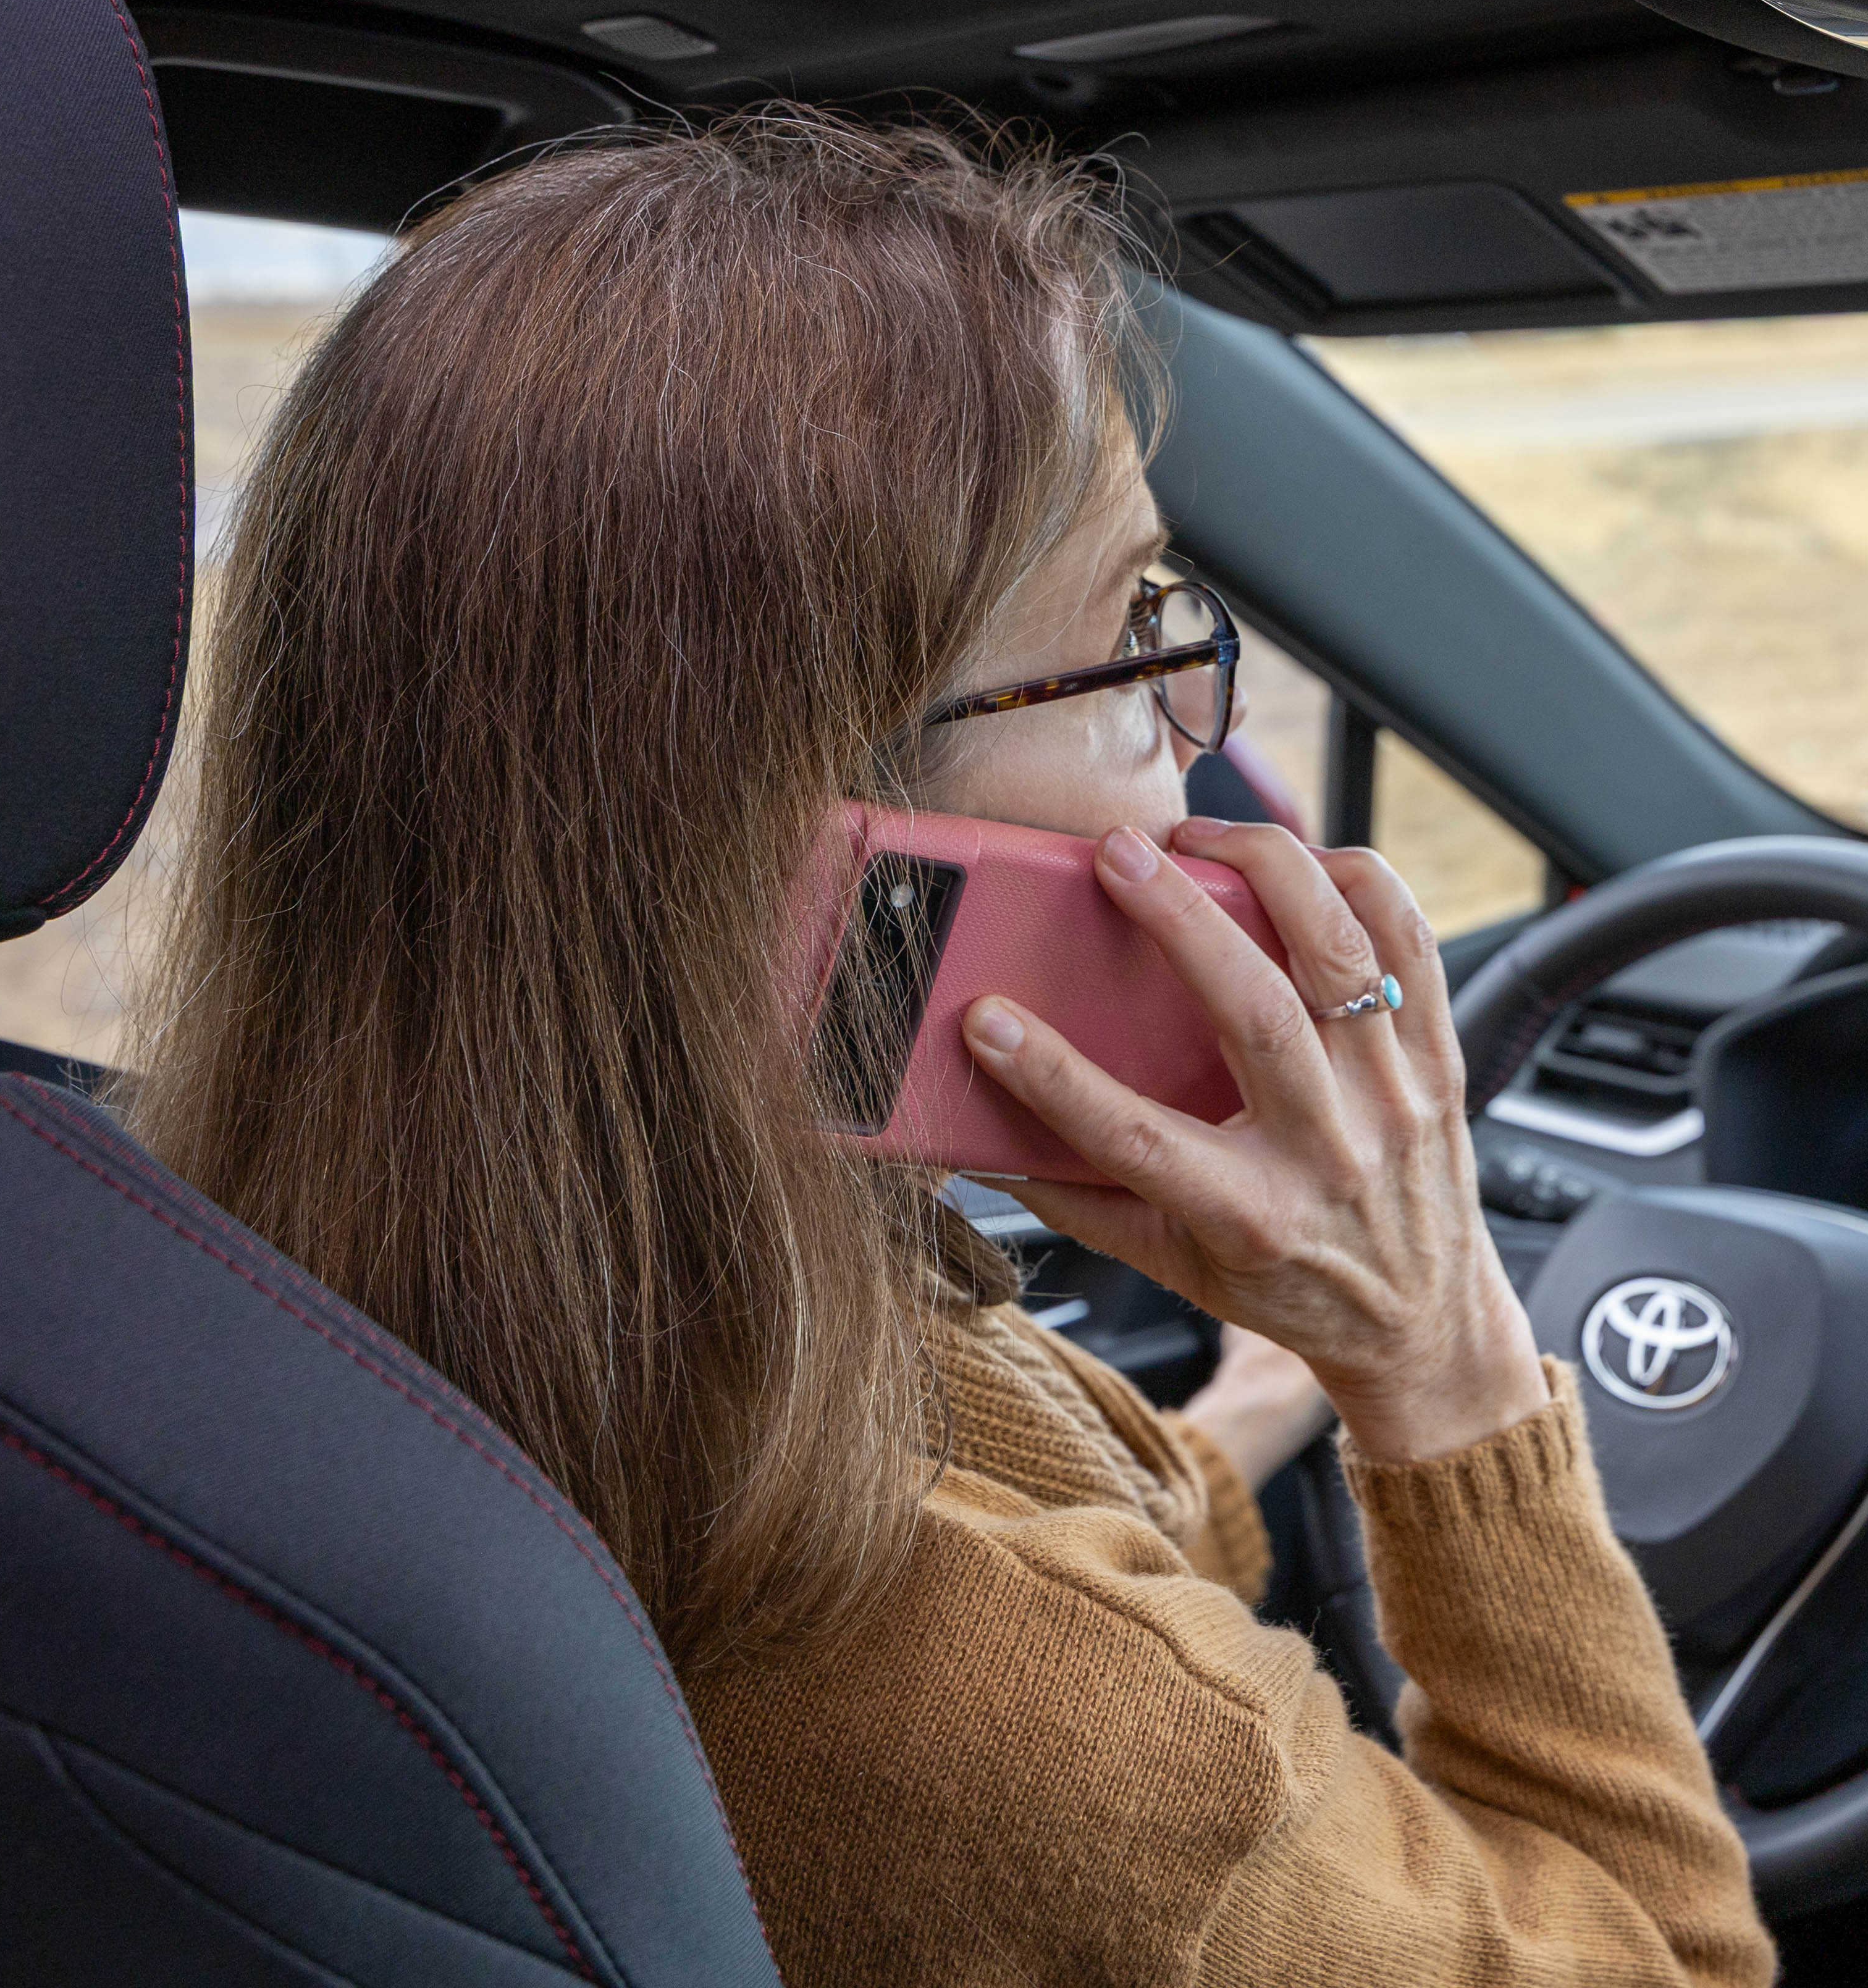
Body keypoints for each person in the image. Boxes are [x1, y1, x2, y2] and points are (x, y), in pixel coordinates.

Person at [130, 109, 1769, 1987]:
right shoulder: (1065, 1749)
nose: (1191, 730)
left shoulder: (260, 1280)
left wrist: (1249, 1415)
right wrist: (1442, 1357)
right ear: (810, 846)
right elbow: (1663, 1959)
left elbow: (1038, 1607)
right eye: (1132, 633)